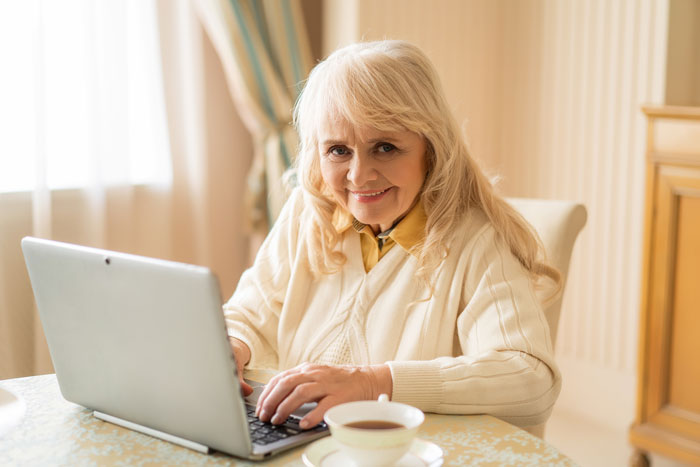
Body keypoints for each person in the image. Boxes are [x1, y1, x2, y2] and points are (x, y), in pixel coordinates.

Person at [224, 40, 561, 433]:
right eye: (338, 150)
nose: (358, 175)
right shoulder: (307, 211)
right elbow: (250, 313)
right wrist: (231, 345)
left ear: (431, 149)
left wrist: (374, 382)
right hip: (304, 441)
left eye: (385, 147)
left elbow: (531, 379)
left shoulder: (476, 239)